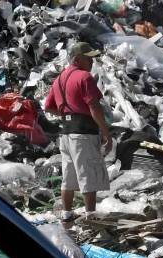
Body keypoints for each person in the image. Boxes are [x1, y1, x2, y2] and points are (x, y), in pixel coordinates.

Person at [43, 42, 112, 215]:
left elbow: (48, 107)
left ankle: (66, 214)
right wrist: (106, 133)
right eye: (88, 58)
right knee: (88, 176)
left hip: (66, 133)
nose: (92, 62)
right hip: (83, 134)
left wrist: (67, 114)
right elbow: (94, 107)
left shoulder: (59, 79)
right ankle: (91, 217)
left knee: (69, 178)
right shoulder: (84, 77)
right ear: (77, 59)